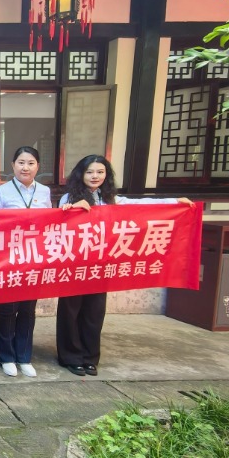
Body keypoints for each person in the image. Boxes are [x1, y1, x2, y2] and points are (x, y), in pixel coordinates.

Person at [56, 155, 192, 377]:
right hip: (74, 265)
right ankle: (70, 357)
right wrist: (72, 209)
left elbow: (141, 205)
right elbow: (60, 220)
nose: (95, 176)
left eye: (100, 172)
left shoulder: (110, 199)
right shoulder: (68, 197)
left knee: (94, 312)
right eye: (90, 172)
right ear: (81, 174)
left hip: (100, 266)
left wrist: (175, 201)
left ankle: (90, 357)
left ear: (106, 175)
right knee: (70, 311)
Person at [0, 146, 52, 378]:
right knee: (8, 309)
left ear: (38, 166)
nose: (26, 167)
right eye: (21, 162)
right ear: (13, 165)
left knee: (28, 309)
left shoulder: (44, 191)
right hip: (9, 258)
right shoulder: (1, 191)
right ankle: (6, 356)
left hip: (34, 258)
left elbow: (49, 223)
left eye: (31, 163)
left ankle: (24, 356)